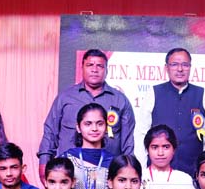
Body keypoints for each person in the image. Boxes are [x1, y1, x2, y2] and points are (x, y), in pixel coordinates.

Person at [38, 49, 135, 182]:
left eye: (100, 66)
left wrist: (129, 169)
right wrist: (44, 161)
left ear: (107, 70)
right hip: (68, 173)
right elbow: (50, 131)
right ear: (82, 68)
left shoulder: (120, 100)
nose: (94, 70)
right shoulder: (65, 97)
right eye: (90, 65)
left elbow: (128, 141)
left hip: (108, 173)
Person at [134, 48, 205, 177]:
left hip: (192, 169)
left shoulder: (201, 94)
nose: (180, 69)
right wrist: (142, 170)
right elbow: (141, 134)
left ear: (190, 67)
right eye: (174, 64)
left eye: (185, 65)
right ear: (166, 68)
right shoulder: (154, 93)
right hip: (158, 171)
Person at [61, 103, 115, 189]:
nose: (94, 128)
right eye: (88, 124)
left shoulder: (113, 162)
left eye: (100, 124)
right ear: (78, 127)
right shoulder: (66, 159)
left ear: (106, 127)